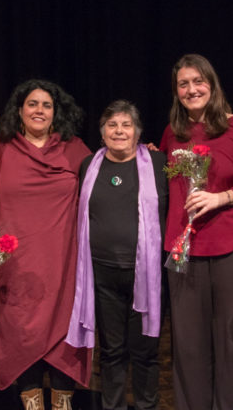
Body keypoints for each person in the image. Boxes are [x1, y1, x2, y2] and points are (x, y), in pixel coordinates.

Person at [158, 54, 233, 410]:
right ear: (176, 91)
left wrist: (222, 197)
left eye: (198, 81)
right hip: (183, 252)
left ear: (212, 84)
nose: (191, 89)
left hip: (230, 246)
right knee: (189, 345)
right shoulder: (172, 134)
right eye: (183, 84)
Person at [0, 79, 91, 410]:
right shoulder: (2, 150)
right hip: (15, 264)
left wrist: (142, 155)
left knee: (63, 337)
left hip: (63, 263)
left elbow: (108, 173)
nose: (39, 110)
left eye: (46, 105)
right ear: (19, 110)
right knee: (21, 336)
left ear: (56, 113)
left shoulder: (74, 150)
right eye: (32, 104)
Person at [66, 100, 167, 410]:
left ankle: (147, 406)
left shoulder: (158, 163)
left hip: (146, 275)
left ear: (138, 131)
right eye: (112, 125)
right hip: (102, 274)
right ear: (102, 132)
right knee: (111, 351)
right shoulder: (89, 165)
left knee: (145, 352)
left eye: (126, 125)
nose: (119, 131)